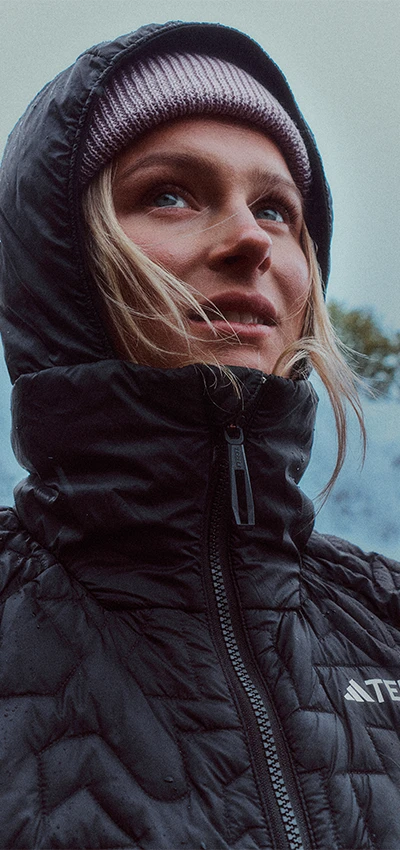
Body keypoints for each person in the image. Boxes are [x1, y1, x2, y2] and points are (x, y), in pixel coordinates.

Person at [0, 19, 399, 850]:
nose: (252, 239)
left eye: (277, 209)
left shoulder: (386, 619)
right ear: (61, 266)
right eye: (169, 192)